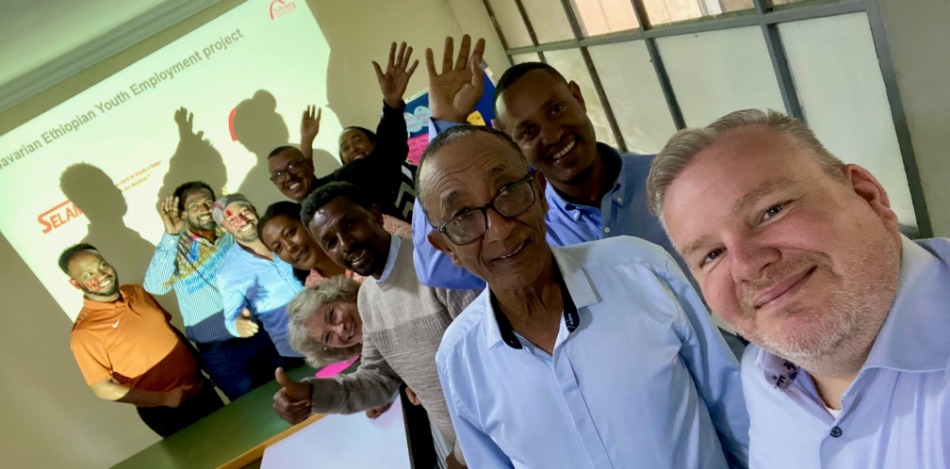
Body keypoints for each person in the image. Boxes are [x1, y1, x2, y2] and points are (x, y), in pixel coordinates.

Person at [417, 125, 749, 468]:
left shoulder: (643, 271)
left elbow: (735, 412)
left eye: (507, 191)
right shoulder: (459, 362)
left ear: (541, 193)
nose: (500, 229)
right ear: (447, 248)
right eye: (463, 217)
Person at [646, 109, 950, 468]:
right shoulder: (762, 376)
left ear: (866, 195)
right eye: (712, 254)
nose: (746, 265)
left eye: (771, 211)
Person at [411, 38, 682, 290]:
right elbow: (434, 268)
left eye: (557, 109)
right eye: (529, 132)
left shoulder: (670, 177)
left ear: (577, 96)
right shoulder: (528, 226)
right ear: (509, 141)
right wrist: (446, 123)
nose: (552, 135)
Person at [273, 182, 479, 468]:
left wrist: (467, 453)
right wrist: (311, 394)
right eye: (330, 242)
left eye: (350, 224)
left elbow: (491, 364)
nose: (345, 244)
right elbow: (378, 380)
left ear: (376, 215)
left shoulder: (434, 263)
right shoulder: (368, 298)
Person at [60, 244, 223, 437]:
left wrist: (206, 365)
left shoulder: (136, 292)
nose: (102, 274)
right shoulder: (85, 332)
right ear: (75, 284)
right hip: (167, 410)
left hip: (201, 389)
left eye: (102, 265)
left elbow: (169, 331)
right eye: (88, 274)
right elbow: (102, 388)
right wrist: (164, 398)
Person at [144, 182, 281, 400]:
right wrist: (171, 234)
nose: (205, 208)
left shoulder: (230, 231)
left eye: (208, 202)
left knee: (293, 388)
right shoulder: (173, 247)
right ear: (182, 212)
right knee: (254, 410)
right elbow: (154, 286)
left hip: (262, 332)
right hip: (223, 353)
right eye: (195, 205)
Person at [269, 41, 417, 220]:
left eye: (292, 166)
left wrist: (391, 105)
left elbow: (388, 152)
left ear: (309, 165)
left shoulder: (347, 178)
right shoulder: (296, 221)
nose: (287, 177)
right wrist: (306, 141)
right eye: (277, 175)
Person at [212, 193, 304, 362]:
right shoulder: (228, 273)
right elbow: (232, 317)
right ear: (224, 229)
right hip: (296, 352)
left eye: (245, 211)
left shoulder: (286, 233)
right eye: (232, 220)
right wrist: (238, 324)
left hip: (338, 329)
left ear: (254, 210)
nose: (243, 221)